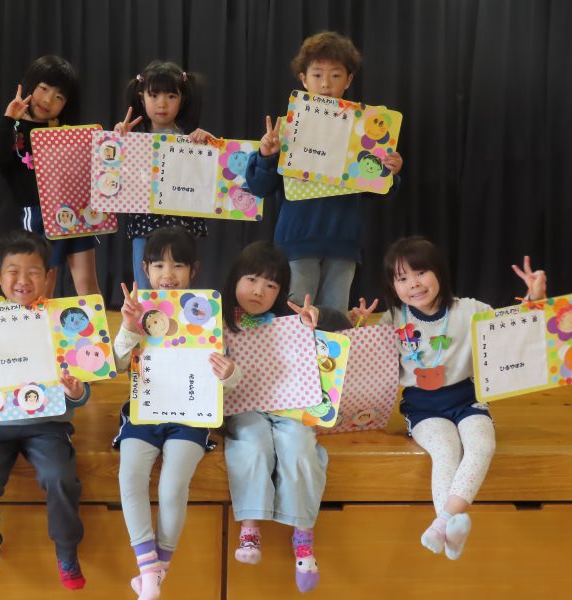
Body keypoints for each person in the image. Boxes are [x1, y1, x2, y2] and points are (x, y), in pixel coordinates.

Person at [350, 237, 547, 560]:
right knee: (445, 450)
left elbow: (512, 331)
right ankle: (450, 528)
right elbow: (367, 364)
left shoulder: (469, 310)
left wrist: (533, 299)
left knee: (482, 445)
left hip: (467, 401)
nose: (414, 284)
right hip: (423, 409)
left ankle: (443, 523)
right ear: (392, 286)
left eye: (421, 272)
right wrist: (360, 327)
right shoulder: (393, 319)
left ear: (439, 272)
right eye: (402, 278)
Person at [0, 229, 90, 593]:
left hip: (47, 425)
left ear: (49, 276)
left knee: (59, 476)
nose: (23, 280)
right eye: (13, 272)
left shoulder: (61, 324)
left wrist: (76, 392)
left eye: (34, 271)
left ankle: (67, 552)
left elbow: (80, 386)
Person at [113, 226, 238, 599]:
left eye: (178, 265)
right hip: (145, 413)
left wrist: (229, 374)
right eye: (159, 265)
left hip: (190, 419)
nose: (168, 274)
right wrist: (128, 328)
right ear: (145, 269)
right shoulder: (138, 312)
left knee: (172, 485)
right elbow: (116, 365)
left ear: (193, 270)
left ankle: (156, 570)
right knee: (129, 476)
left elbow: (227, 381)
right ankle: (149, 568)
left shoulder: (208, 315)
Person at [245, 31, 404, 312]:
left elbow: (376, 190)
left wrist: (390, 172)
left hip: (343, 243)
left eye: (335, 75)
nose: (326, 84)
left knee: (334, 320)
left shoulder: (363, 130)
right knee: (295, 317)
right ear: (303, 79)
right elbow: (259, 187)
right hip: (296, 241)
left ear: (349, 80)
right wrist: (266, 156)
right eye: (317, 75)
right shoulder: (287, 128)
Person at [221, 241, 325, 593]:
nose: (259, 291)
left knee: (299, 445)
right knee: (253, 444)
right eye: (251, 279)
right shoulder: (217, 320)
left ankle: (303, 537)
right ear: (235, 278)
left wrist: (312, 323)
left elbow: (325, 339)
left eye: (271, 285)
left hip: (287, 407)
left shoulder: (289, 322)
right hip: (243, 407)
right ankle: (250, 527)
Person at [0, 55, 99, 297]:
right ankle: (39, 324)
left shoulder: (66, 131)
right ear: (30, 85)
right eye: (44, 89)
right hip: (39, 214)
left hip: (76, 210)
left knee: (88, 285)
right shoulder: (12, 128)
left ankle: (96, 324)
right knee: (43, 286)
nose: (48, 100)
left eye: (59, 97)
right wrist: (8, 119)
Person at [114, 60, 212, 289]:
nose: (162, 103)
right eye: (154, 95)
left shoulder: (192, 139)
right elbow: (114, 180)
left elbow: (205, 181)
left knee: (178, 288)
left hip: (181, 227)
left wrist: (209, 146)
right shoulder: (131, 137)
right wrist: (118, 143)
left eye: (171, 96)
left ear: (182, 99)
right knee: (145, 289)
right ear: (142, 98)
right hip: (144, 226)